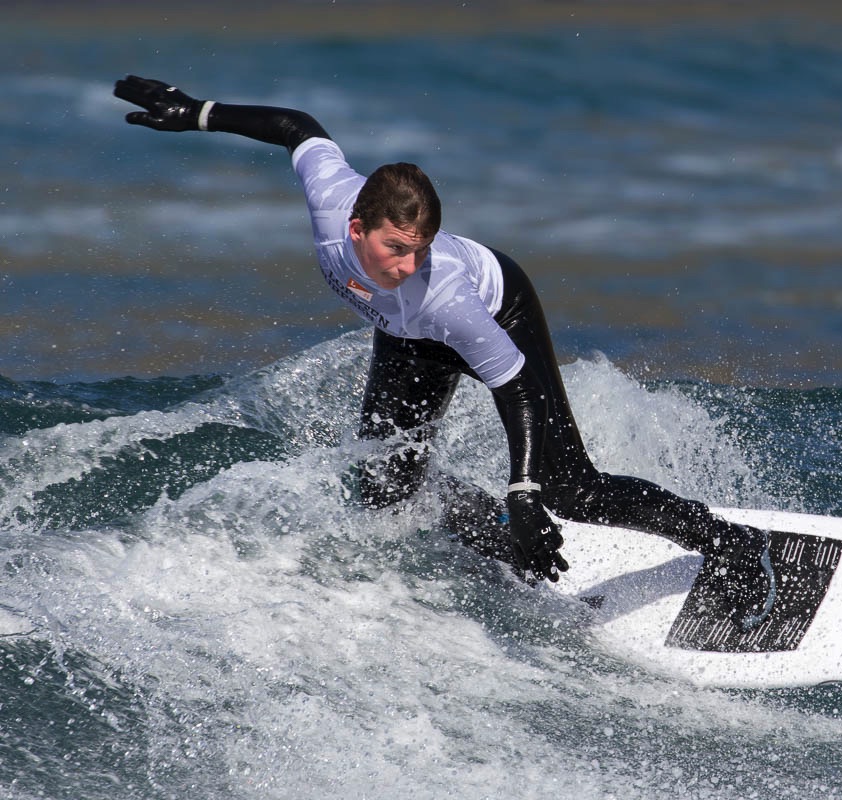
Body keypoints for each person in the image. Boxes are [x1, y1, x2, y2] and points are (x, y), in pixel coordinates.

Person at [113, 75, 776, 630]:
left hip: (497, 314)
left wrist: (525, 490)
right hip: (409, 340)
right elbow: (299, 126)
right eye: (395, 249)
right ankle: (508, 549)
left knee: (570, 488)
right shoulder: (331, 204)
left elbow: (513, 384)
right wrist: (198, 113)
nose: (407, 263)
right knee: (386, 484)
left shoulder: (444, 295)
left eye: (420, 250)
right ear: (356, 227)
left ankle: (732, 547)